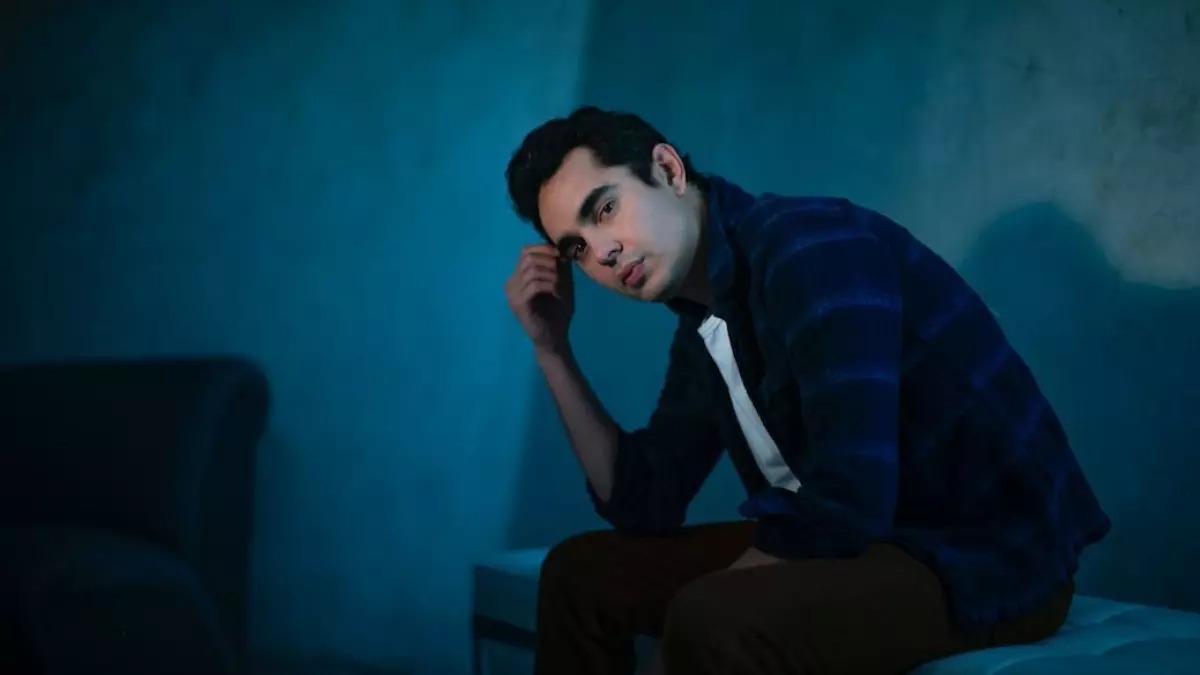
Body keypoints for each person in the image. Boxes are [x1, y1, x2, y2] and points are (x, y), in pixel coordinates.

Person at [502, 106, 1111, 675]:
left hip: (981, 554)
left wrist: (709, 604)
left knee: (712, 616)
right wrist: (551, 349)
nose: (603, 253)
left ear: (667, 169)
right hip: (871, 541)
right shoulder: (704, 321)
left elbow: (849, 496)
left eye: (606, 208)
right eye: (576, 248)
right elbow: (645, 501)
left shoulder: (811, 248)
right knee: (579, 575)